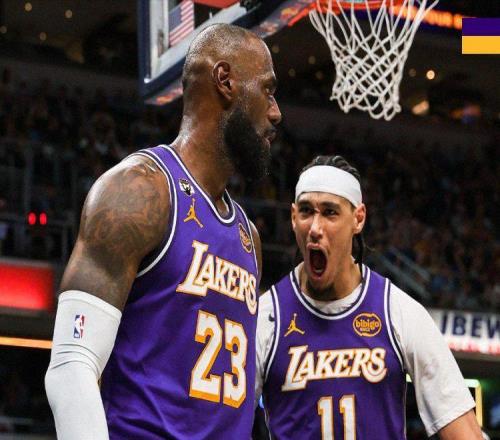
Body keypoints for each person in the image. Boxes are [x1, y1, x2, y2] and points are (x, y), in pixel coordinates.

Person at [45, 23, 281, 439]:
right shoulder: (137, 192)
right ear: (225, 81)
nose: (276, 112)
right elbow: (71, 364)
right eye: (268, 90)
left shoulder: (249, 236)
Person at [256, 155, 483, 439]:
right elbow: (224, 423)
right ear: (292, 217)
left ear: (358, 218)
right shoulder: (266, 316)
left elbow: (465, 432)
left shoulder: (398, 311)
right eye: (306, 211)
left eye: (330, 212)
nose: (314, 228)